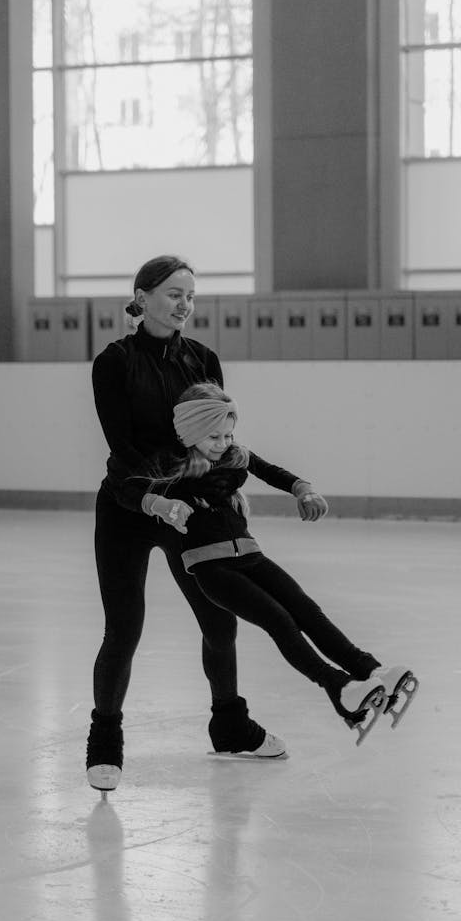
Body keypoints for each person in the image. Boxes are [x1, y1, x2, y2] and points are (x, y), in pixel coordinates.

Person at [86, 256, 328, 796]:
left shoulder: (203, 359)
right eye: (173, 294)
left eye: (191, 296)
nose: (184, 305)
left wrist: (230, 491)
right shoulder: (114, 363)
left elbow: (217, 437)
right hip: (132, 504)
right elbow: (123, 449)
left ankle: (231, 727)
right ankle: (105, 740)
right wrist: (156, 500)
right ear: (142, 297)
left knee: (220, 622)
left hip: (191, 506)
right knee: (123, 629)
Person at [125, 381, 419, 747]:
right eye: (213, 436)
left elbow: (274, 471)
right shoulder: (173, 464)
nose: (223, 443)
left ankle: (371, 671)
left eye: (229, 434)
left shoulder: (233, 457)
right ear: (190, 434)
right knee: (279, 621)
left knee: (307, 610)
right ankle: (338, 688)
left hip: (251, 555)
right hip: (212, 570)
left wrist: (303, 489)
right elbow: (129, 488)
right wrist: (160, 505)